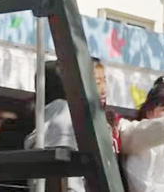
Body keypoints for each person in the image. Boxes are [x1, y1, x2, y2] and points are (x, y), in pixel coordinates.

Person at [27, 58, 117, 192]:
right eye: (97, 82)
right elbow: (63, 176)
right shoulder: (63, 112)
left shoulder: (94, 119)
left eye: (104, 80)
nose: (103, 89)